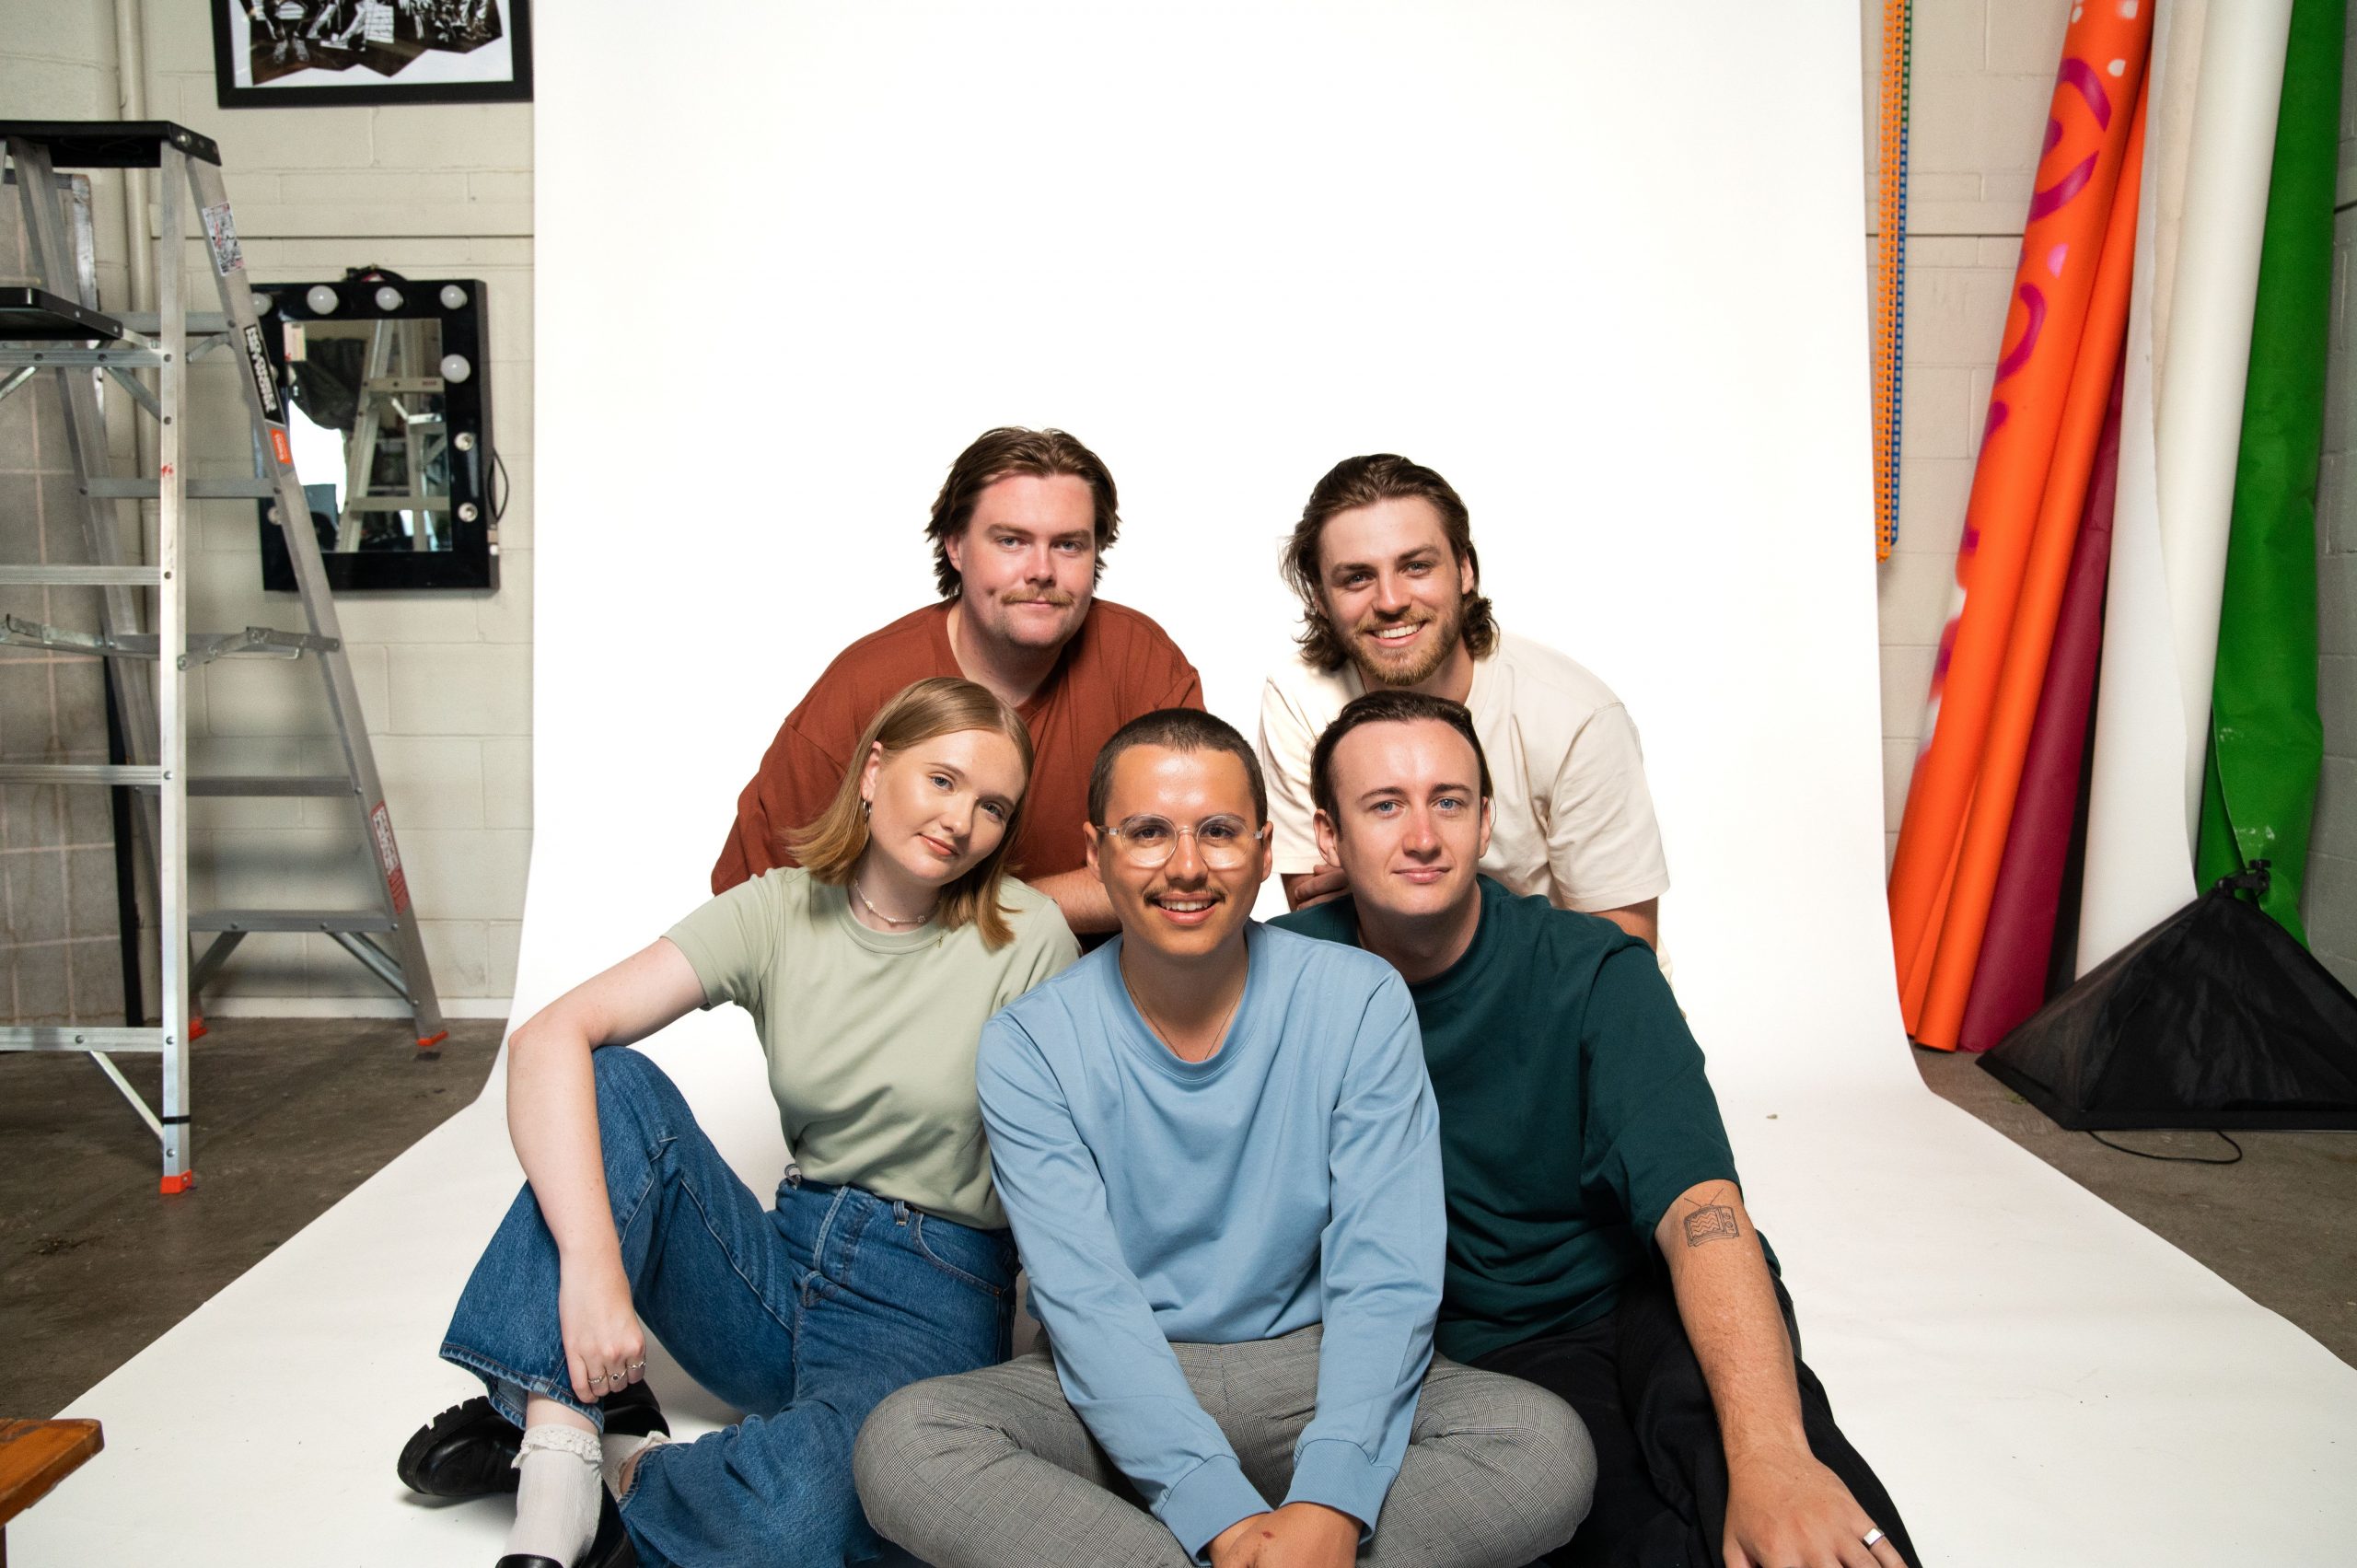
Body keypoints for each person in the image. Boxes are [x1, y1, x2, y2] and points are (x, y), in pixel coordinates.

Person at [853, 710, 1593, 1568]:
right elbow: (1087, 1302)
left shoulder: (1359, 998)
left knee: (1543, 1444)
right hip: (1114, 1388)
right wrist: (1225, 1517)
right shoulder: (1029, 1044)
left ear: (1266, 848)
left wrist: (1330, 1497)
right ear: (1096, 853)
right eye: (1148, 832)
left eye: (1218, 831)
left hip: (1315, 1372)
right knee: (907, 1442)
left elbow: (1386, 1266)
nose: (1187, 865)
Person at [398, 678, 1079, 1568]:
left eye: (993, 806)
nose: (962, 820)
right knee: (609, 1081)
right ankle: (557, 1462)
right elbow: (546, 1039)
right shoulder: (778, 907)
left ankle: (622, 1467)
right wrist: (596, 1270)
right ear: (875, 771)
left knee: (817, 1518)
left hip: (930, 1294)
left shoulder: (1030, 936)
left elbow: (1065, 1169)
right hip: (778, 1269)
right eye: (942, 780)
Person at [1276, 690, 1920, 1568]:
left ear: (1486, 818)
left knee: (1809, 1518)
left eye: (1449, 801)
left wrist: (1773, 1456)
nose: (1422, 835)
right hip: (1491, 1357)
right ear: (1328, 833)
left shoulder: (1592, 971)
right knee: (1650, 1540)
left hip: (1650, 1296)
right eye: (1385, 805)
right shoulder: (1280, 978)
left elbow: (1701, 1210)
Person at [714, 426, 1203, 935]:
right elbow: (753, 910)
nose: (1041, 570)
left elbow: (1189, 869)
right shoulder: (864, 687)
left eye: (1068, 545)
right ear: (955, 546)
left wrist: (982, 917)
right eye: (1011, 541)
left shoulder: (1142, 662)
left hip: (1098, 977)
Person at [1257, 453, 1668, 950]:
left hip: (1555, 989)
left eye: (1416, 566)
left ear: (1465, 569)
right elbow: (1321, 924)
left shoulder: (1575, 717)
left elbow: (1624, 945)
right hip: (1383, 983)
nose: (1390, 601)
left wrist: (1399, 889)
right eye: (1357, 578)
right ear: (1320, 598)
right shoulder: (1299, 698)